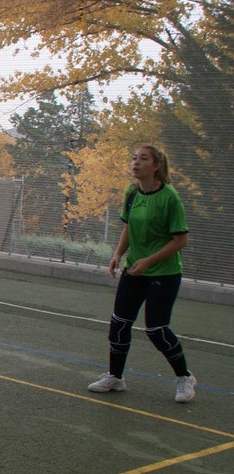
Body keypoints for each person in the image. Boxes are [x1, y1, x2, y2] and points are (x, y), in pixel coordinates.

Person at [87, 144, 195, 403]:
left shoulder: (170, 197)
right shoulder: (132, 193)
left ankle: (184, 377)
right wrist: (118, 254)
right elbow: (128, 227)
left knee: (156, 329)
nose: (135, 163)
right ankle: (115, 377)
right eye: (134, 158)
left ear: (156, 166)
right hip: (135, 269)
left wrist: (148, 261)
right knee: (119, 323)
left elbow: (180, 240)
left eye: (143, 159)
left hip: (164, 273)